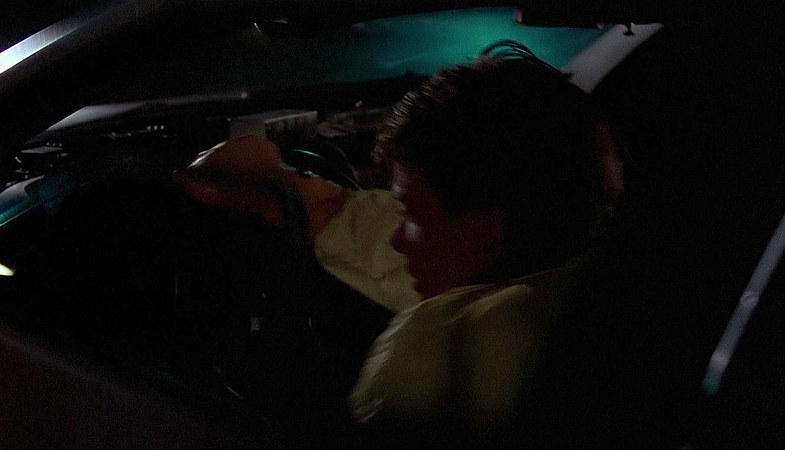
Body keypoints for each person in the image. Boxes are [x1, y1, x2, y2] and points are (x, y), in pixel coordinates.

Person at [174, 40, 616, 434]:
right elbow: (371, 233)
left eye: (411, 214)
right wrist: (281, 188)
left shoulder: (436, 349)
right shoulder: (605, 267)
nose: (397, 241)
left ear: (487, 226)